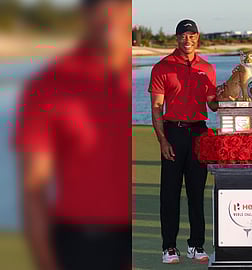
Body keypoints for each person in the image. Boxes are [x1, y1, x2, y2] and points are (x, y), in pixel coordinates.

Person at [14, 0, 131, 269]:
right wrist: (46, 262)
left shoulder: (144, 81)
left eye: (121, 4)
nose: (109, 13)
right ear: (85, 12)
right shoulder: (47, 86)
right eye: (98, 5)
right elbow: (34, 189)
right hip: (83, 242)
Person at [148, 19, 218, 264]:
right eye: (183, 36)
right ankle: (169, 247)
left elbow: (213, 104)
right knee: (170, 193)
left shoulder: (207, 68)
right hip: (173, 133)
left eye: (192, 35)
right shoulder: (162, 67)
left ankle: (196, 245)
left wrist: (231, 90)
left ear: (197, 37)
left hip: (200, 133)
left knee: (197, 192)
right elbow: (157, 107)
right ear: (176, 38)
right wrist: (162, 140)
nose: (187, 40)